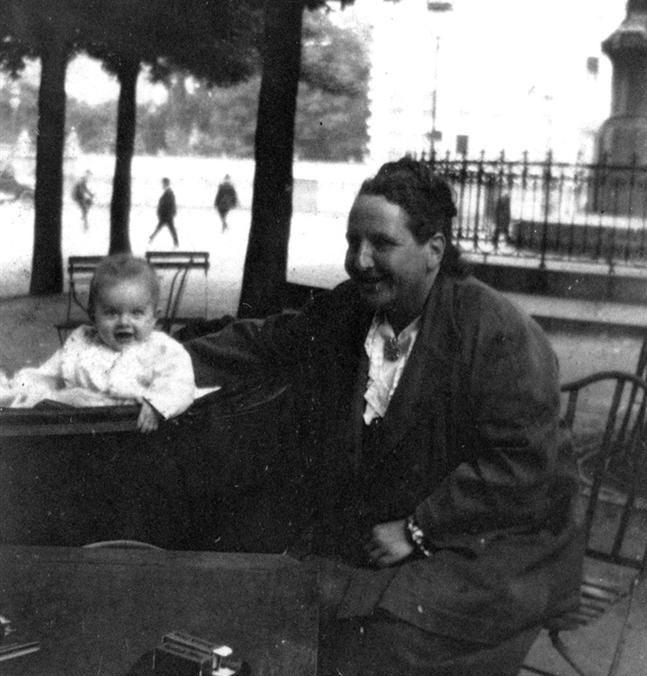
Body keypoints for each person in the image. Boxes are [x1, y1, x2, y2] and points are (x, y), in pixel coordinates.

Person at [186, 157, 583, 675]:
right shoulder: (356, 308)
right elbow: (271, 341)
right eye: (353, 241)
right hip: (388, 531)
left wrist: (417, 529)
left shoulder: (496, 331)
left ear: (434, 250)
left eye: (381, 244)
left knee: (377, 644)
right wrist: (158, 358)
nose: (359, 260)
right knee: (281, 610)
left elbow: (523, 467)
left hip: (497, 548)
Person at [5, 254, 195, 432]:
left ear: (154, 317)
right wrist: (23, 391)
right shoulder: (81, 343)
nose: (124, 321)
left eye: (136, 313)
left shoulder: (161, 349)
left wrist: (157, 405)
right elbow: (45, 376)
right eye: (112, 312)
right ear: (93, 315)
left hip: (134, 431)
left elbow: (179, 382)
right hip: (81, 429)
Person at [149, 177, 179, 247]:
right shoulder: (168, 192)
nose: (162, 185)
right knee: (169, 228)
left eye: (163, 183)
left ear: (166, 184)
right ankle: (176, 242)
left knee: (167, 228)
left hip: (166, 215)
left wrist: (162, 212)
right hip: (167, 215)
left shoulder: (168, 193)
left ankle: (152, 237)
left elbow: (167, 204)